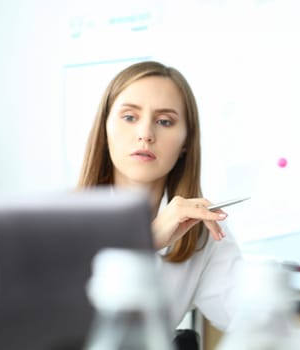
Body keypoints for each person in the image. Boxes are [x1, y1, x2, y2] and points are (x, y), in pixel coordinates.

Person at [77, 61, 243, 333]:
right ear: (104, 128)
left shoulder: (198, 230)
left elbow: (248, 319)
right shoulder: (62, 223)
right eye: (129, 117)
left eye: (164, 121)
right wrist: (145, 241)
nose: (145, 134)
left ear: (186, 142)